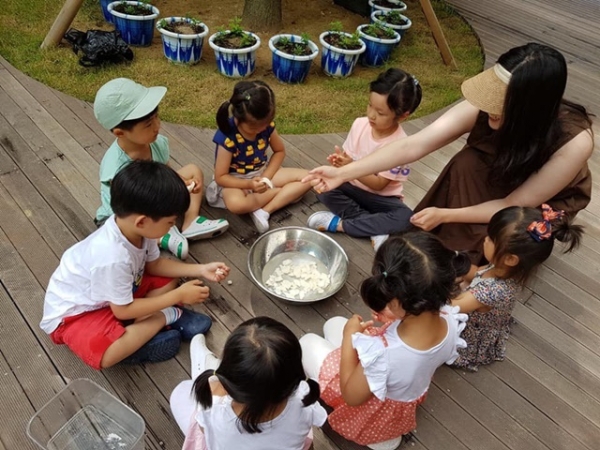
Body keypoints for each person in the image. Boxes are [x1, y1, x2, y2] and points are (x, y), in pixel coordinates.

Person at [304, 43, 594, 262]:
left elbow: (513, 204)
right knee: (467, 162)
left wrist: (445, 214)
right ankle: (445, 241)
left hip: (531, 198)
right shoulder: (485, 105)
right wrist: (342, 173)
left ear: (527, 109)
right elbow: (413, 145)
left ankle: (472, 257)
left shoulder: (574, 141)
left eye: (500, 103)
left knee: (499, 242)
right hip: (497, 170)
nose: (489, 107)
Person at [40, 161, 231, 370]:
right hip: (76, 314)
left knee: (169, 277)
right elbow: (122, 310)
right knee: (103, 353)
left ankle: (138, 331)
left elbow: (155, 265)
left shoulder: (137, 230)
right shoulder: (112, 256)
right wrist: (177, 297)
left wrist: (201, 269)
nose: (171, 227)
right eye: (170, 222)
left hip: (113, 294)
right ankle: (165, 317)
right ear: (141, 221)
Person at [300, 232, 469, 450]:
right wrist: (394, 317)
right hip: (404, 389)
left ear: (400, 302)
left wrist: (349, 340)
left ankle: (378, 435)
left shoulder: (384, 354)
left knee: (308, 341)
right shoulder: (450, 318)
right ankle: (388, 434)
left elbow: (352, 396)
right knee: (333, 323)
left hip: (373, 403)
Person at [94, 78, 229, 260]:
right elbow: (131, 210)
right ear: (120, 132)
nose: (157, 126)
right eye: (148, 124)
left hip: (154, 194)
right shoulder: (117, 169)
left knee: (193, 170)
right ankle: (161, 236)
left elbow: (166, 172)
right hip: (124, 216)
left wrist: (182, 182)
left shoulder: (156, 142)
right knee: (135, 230)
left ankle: (190, 222)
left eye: (156, 117)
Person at [451, 204, 583, 371]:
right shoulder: (503, 269)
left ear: (511, 259)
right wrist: (456, 264)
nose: (485, 238)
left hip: (469, 334)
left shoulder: (490, 291)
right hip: (486, 314)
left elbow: (450, 306)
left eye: (491, 239)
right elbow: (478, 273)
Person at [307, 68, 422, 252]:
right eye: (370, 105)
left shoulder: (401, 146)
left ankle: (340, 224)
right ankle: (374, 227)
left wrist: (350, 166)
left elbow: (379, 185)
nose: (371, 115)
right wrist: (341, 163)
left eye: (381, 112)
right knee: (321, 186)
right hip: (353, 187)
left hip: (382, 199)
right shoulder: (360, 124)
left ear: (402, 115)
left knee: (405, 218)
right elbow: (348, 159)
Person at [169, 317, 327, 450]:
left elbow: (204, 431)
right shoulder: (304, 397)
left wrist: (216, 388)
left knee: (180, 392)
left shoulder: (215, 408)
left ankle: (210, 365)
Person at [206, 80, 312, 234]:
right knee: (237, 205)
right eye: (254, 127)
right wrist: (249, 185)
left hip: (261, 172)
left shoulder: (266, 126)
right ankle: (283, 194)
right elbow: (221, 176)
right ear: (238, 117)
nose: (261, 130)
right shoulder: (227, 136)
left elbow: (279, 152)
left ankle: (264, 211)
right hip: (235, 180)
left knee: (309, 177)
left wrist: (266, 179)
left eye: (264, 125)